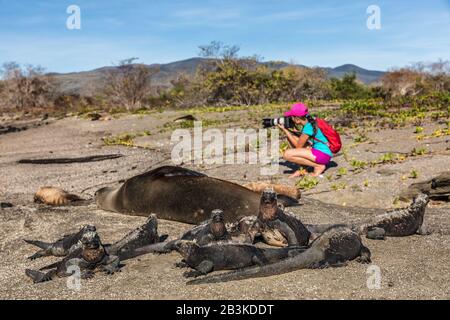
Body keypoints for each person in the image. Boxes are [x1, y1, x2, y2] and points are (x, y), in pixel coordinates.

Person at [278, 103, 332, 177]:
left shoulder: (308, 127)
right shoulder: (311, 121)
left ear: (297, 119)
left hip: (322, 154)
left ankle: (318, 166)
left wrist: (285, 130)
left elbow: (298, 147)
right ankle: (302, 169)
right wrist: (293, 132)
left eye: (291, 117)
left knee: (287, 154)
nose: (291, 119)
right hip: (324, 152)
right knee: (292, 138)